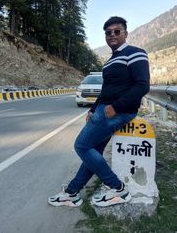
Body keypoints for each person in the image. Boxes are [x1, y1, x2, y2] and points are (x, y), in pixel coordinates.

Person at [48, 16, 150, 207]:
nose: (112, 35)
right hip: (104, 110)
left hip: (118, 111)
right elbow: (106, 90)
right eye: (108, 32)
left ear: (125, 33)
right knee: (93, 150)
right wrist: (93, 109)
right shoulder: (110, 61)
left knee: (81, 146)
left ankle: (117, 188)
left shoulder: (135, 53)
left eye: (117, 31)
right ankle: (72, 192)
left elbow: (142, 86)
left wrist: (115, 107)